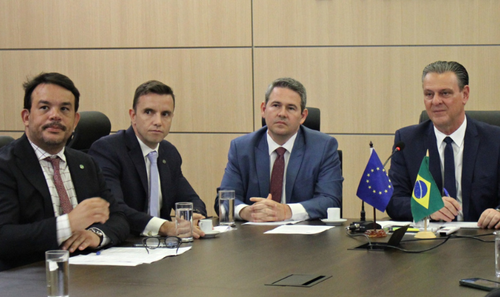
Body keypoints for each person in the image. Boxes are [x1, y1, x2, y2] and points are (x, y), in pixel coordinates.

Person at [0, 73, 129, 270]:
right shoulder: (6, 165)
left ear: (75, 120)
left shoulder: (85, 163)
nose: (55, 116)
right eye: (45, 107)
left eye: (64, 109)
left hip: (85, 273)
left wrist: (95, 235)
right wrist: (67, 224)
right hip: (29, 276)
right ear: (26, 117)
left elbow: (118, 217)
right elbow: (4, 237)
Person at [386, 61, 500, 228]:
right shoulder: (407, 141)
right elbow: (393, 200)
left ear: (465, 95)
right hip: (427, 239)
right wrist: (427, 207)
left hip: (480, 237)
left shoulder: (497, 141)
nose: (436, 101)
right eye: (429, 94)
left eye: (445, 93)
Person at [89, 81, 207, 238]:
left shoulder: (169, 152)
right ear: (133, 116)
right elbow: (115, 208)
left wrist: (193, 216)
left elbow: (190, 199)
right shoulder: (108, 149)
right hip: (126, 243)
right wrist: (163, 227)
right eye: (149, 112)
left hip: (163, 246)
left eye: (165, 114)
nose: (158, 121)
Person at [219, 78, 342, 222]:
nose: (282, 113)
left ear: (303, 116)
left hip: (304, 234)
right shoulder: (241, 148)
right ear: (263, 109)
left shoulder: (323, 147)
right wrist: (246, 212)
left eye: (291, 108)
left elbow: (330, 200)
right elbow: (224, 199)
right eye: (276, 105)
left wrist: (286, 211)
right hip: (254, 233)